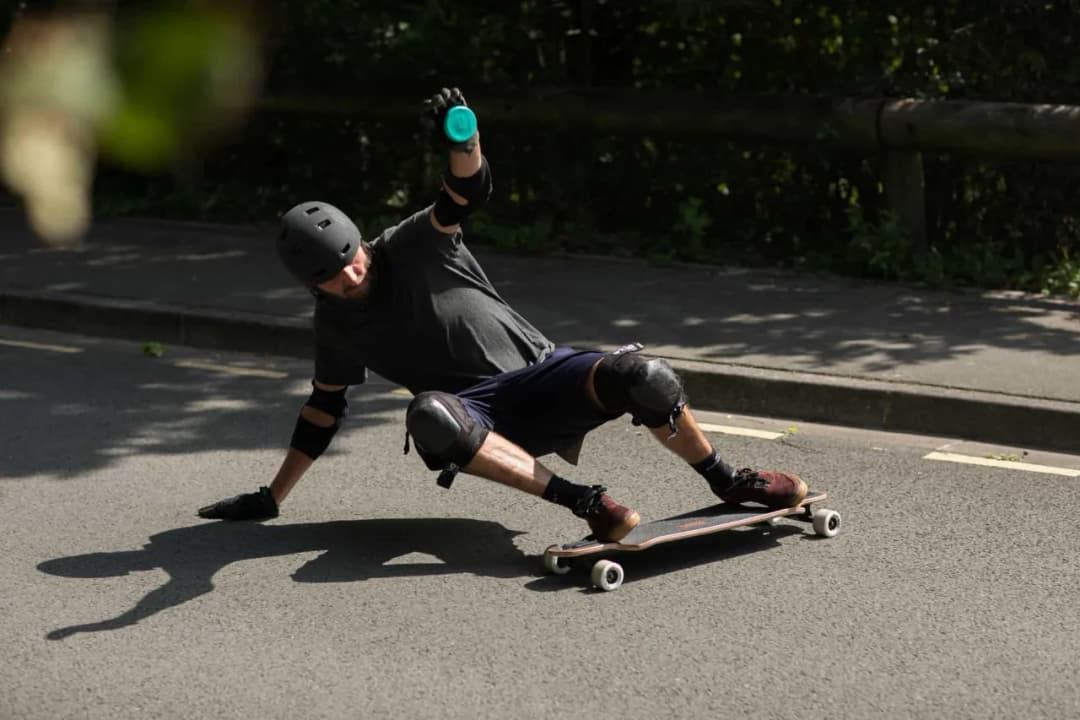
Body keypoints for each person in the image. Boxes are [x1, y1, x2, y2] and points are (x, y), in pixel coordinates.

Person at [197, 88, 807, 541]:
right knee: (428, 414)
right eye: (334, 274)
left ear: (361, 241)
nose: (352, 273)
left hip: (544, 375)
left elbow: (467, 193)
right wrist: (272, 498)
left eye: (353, 257)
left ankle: (729, 480)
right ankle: (585, 502)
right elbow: (322, 412)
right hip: (477, 418)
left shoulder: (411, 243)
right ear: (313, 284)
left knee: (646, 376)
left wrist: (464, 142)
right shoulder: (334, 325)